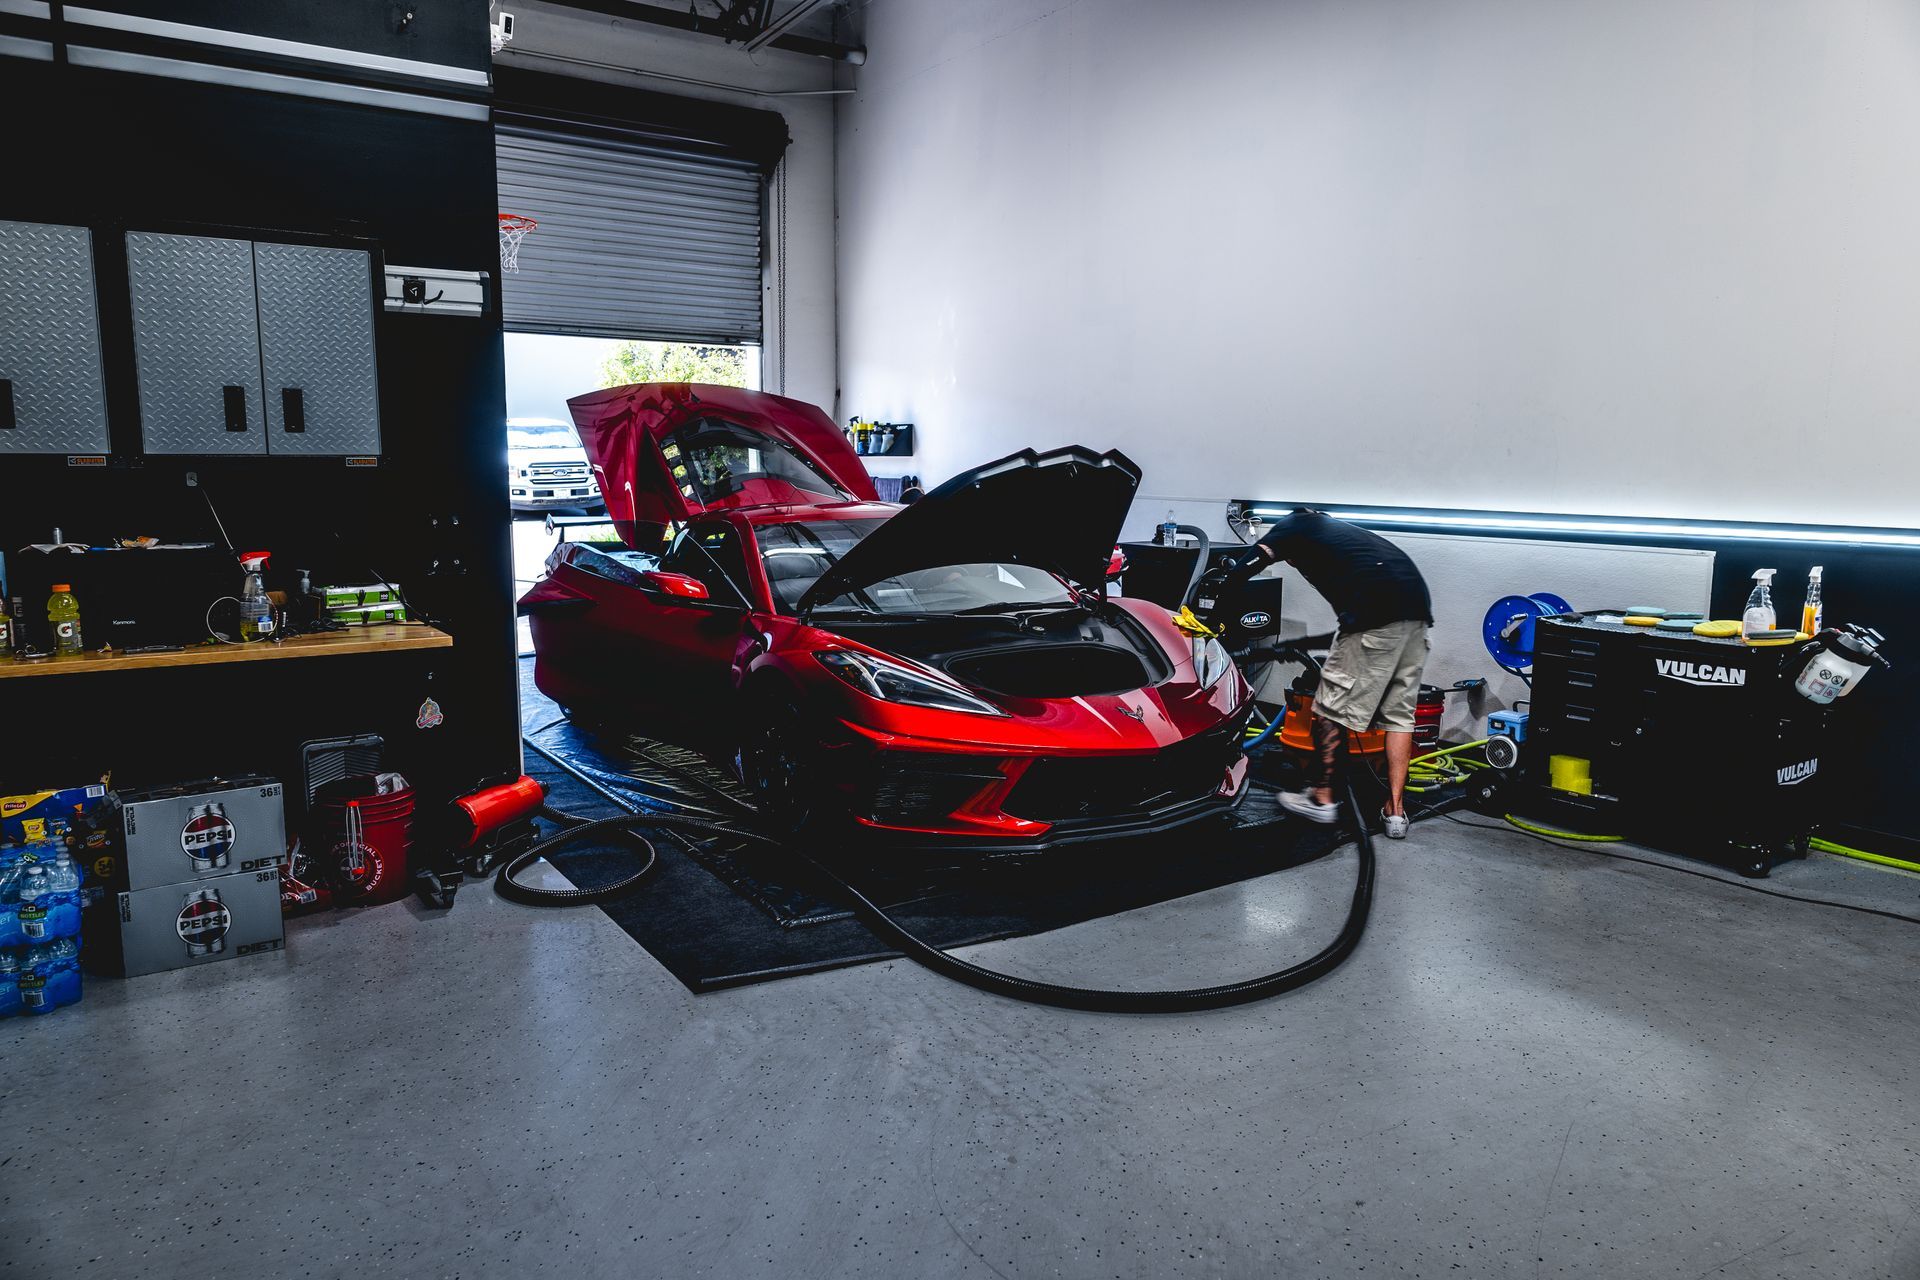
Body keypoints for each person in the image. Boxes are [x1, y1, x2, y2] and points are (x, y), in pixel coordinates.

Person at [1203, 509, 1433, 837]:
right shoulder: (1345, 540)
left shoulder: (1294, 525)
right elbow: (1346, 632)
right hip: (1416, 612)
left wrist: (1213, 622)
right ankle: (1395, 812)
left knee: (1327, 708)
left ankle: (1322, 799)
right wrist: (1299, 644)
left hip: (1374, 616)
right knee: (1398, 716)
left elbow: (1244, 570)